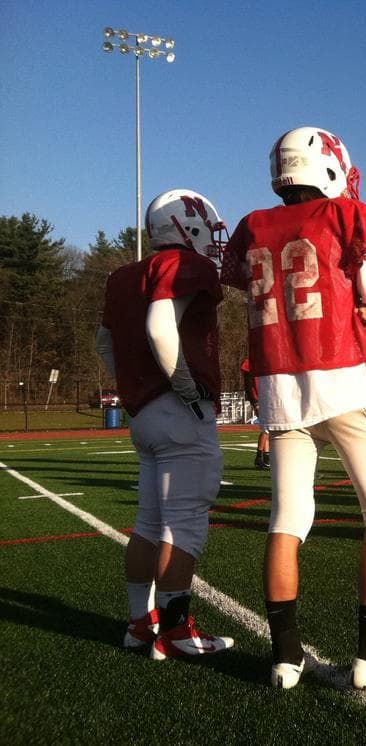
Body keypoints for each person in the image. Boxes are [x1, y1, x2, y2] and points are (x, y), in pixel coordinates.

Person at [220, 126, 366, 690]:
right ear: (330, 166)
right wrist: (363, 316)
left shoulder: (252, 226)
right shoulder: (348, 215)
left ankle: (285, 658)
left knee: (286, 520)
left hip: (278, 388)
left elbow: (256, 283)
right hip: (339, 380)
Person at [95, 188, 234, 660]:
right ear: (185, 225)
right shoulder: (184, 265)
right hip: (179, 410)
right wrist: (184, 385)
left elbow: (104, 345)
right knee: (186, 522)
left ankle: (141, 624)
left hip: (144, 416)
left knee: (149, 523)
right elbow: (161, 326)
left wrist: (137, 390)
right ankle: (175, 633)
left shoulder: (121, 277)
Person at [241, 357, 270, 469]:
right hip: (259, 399)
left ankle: (266, 458)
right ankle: (259, 457)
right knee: (267, 429)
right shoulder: (250, 363)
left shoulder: (263, 361)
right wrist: (255, 402)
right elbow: (248, 385)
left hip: (266, 398)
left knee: (268, 430)